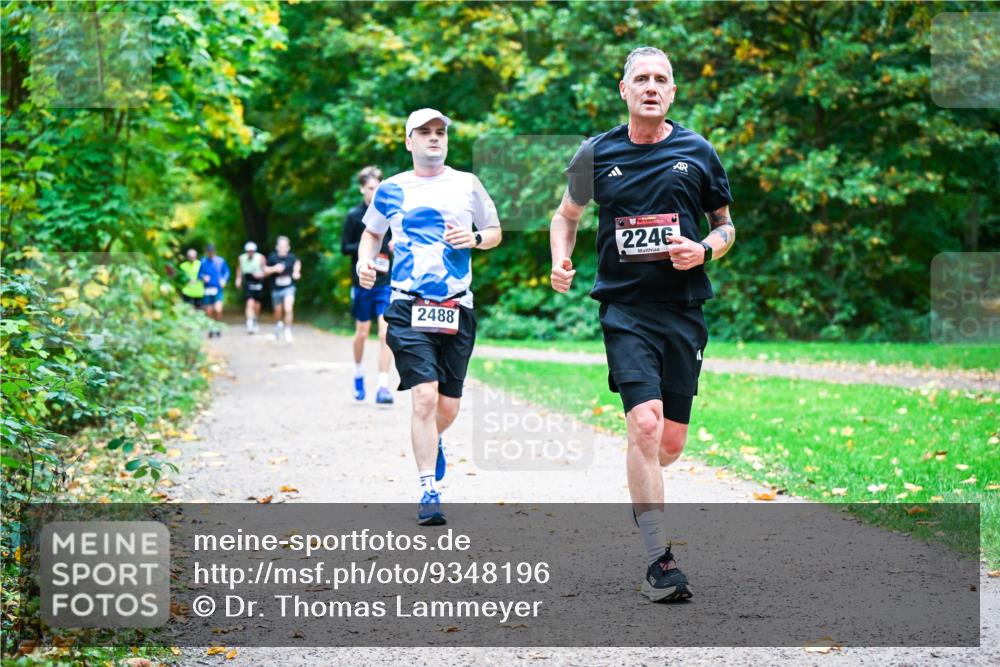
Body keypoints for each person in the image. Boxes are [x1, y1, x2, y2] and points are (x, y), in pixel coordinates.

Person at [549, 47, 736, 602]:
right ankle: (659, 559)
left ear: (672, 93)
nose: (651, 87)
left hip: (681, 311)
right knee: (646, 426)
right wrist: (560, 258)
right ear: (624, 90)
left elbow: (726, 228)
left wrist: (703, 249)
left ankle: (643, 475)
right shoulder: (596, 153)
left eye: (661, 79)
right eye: (641, 79)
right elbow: (566, 216)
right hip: (625, 309)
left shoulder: (697, 151)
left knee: (669, 444)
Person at [357, 108, 501, 525]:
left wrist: (474, 238)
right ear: (409, 141)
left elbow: (494, 231)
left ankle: (432, 439)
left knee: (448, 407)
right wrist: (364, 263)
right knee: (423, 395)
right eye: (424, 133)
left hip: (457, 305)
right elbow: (372, 233)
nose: (434, 138)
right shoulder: (391, 188)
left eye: (440, 132)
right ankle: (428, 490)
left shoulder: (466, 184)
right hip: (407, 304)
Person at [342, 166, 395, 404]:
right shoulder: (354, 216)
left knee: (385, 332)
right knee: (362, 333)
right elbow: (345, 247)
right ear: (363, 188)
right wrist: (368, 248)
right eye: (371, 188)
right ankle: (358, 372)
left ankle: (383, 385)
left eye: (378, 188)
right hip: (363, 282)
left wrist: (392, 246)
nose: (374, 192)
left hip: (385, 281)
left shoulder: (391, 213)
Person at [265, 236, 301, 342]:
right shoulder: (272, 257)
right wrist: (274, 269)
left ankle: (288, 330)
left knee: (288, 308)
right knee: (278, 311)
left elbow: (297, 263)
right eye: (280, 245)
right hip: (276, 289)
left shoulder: (292, 257)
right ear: (277, 247)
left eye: (284, 246)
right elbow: (265, 270)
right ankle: (278, 325)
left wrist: (296, 272)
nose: (282, 248)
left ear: (288, 247)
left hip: (289, 287)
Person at [235, 241, 266, 334]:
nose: (250, 253)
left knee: (257, 304)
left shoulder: (260, 257)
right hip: (248, 281)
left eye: (252, 251)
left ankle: (255, 319)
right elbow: (239, 269)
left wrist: (261, 274)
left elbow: (265, 269)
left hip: (258, 281)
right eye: (248, 251)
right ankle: (249, 322)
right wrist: (238, 279)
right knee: (249, 302)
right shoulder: (241, 258)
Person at [199, 243, 230, 337]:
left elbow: (227, 272)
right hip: (208, 288)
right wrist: (203, 277)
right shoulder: (203, 262)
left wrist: (224, 280)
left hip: (218, 288)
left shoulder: (220, 261)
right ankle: (211, 328)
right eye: (208, 252)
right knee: (209, 310)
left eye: (211, 252)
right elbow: (199, 274)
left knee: (218, 309)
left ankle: (217, 327)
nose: (210, 254)